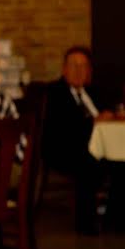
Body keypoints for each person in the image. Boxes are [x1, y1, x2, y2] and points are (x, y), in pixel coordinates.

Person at [42, 46, 111, 234]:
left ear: (89, 71)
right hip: (64, 149)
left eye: (84, 66)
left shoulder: (95, 93)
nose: (79, 70)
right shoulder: (54, 93)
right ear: (64, 69)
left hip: (100, 146)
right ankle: (86, 224)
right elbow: (65, 127)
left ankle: (116, 217)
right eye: (74, 65)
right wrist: (94, 121)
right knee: (88, 162)